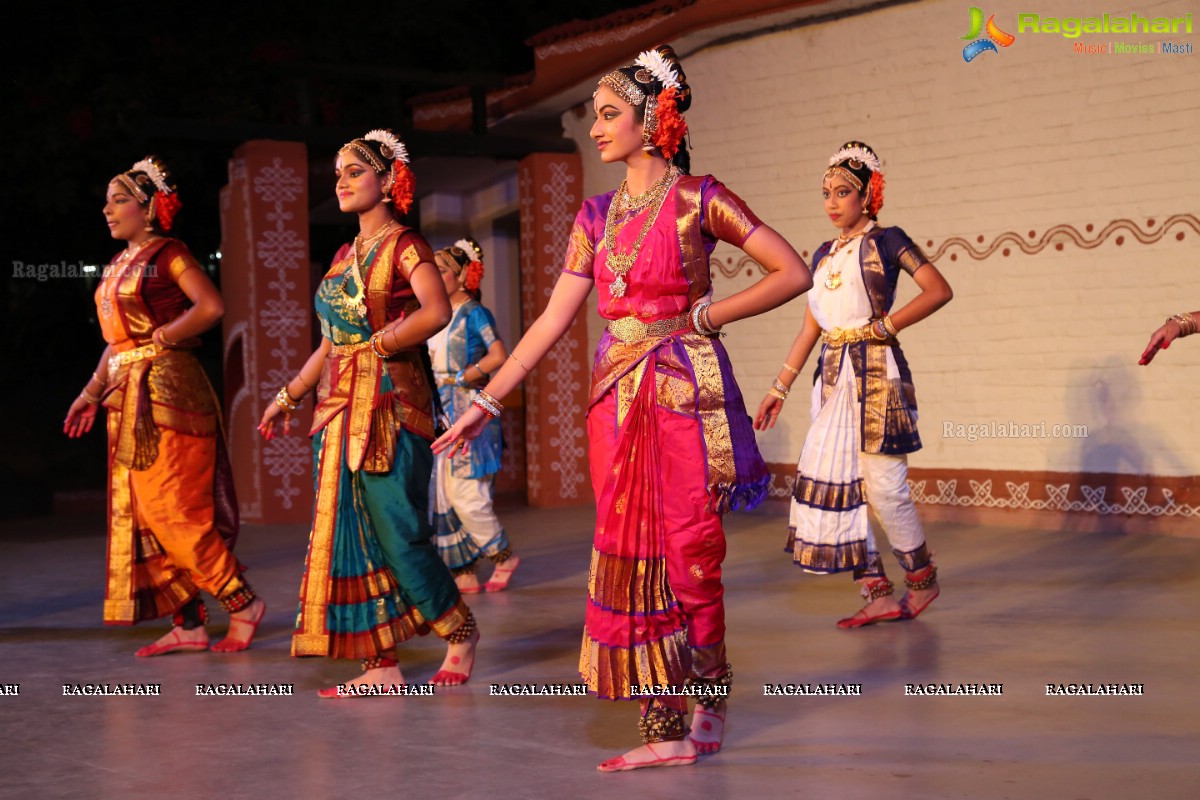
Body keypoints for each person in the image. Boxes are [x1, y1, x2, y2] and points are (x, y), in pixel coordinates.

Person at [434, 47, 812, 771]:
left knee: (691, 556)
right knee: (633, 552)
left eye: (610, 115)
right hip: (615, 399)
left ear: (652, 119)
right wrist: (488, 398)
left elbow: (790, 271)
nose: (597, 128)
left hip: (681, 391)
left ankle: (711, 688)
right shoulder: (595, 215)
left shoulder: (701, 197)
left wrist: (707, 317)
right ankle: (663, 725)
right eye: (596, 116)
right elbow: (550, 320)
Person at [258, 129, 478, 696]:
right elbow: (331, 342)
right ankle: (378, 663)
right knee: (348, 535)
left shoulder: (406, 245)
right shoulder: (341, 256)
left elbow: (434, 312)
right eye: (338, 172)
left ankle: (459, 630)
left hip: (391, 405)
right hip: (336, 408)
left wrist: (381, 345)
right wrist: (289, 394)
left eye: (355, 171)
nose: (342, 180)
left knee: (398, 531)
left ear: (388, 179)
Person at [64, 156, 264, 657]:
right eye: (107, 202)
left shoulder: (168, 254)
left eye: (119, 201)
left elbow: (211, 306)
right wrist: (90, 394)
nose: (107, 211)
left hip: (169, 393)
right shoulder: (115, 267)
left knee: (174, 508)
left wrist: (164, 337)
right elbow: (117, 344)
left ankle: (241, 604)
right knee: (145, 517)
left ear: (148, 208)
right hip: (125, 398)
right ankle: (190, 623)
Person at [754, 141, 952, 629]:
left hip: (877, 374)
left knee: (885, 486)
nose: (832, 202)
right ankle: (876, 591)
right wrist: (779, 388)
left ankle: (922, 579)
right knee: (841, 483)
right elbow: (809, 329)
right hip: (831, 377)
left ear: (868, 195)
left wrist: (886, 326)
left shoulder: (888, 241)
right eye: (826, 193)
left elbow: (938, 290)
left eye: (843, 192)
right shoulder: (823, 254)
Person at [427, 239, 519, 593]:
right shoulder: (438, 314)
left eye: (442, 272)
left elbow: (499, 354)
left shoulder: (474, 313)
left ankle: (503, 555)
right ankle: (463, 571)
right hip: (442, 412)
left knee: (468, 495)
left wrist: (465, 376)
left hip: (469, 410)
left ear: (462, 276)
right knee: (443, 496)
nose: (435, 278)